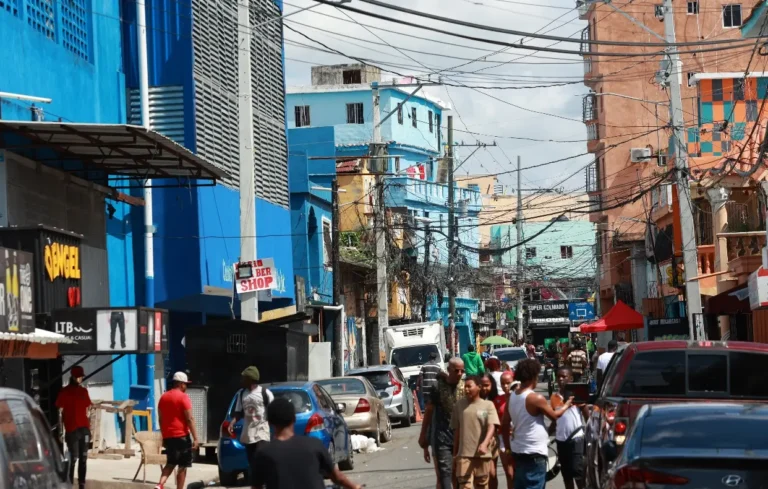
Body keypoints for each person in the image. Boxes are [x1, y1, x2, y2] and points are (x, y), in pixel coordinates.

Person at [251, 397, 361, 489]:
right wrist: (355, 487)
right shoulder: (314, 445)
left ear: (269, 422)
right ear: (294, 419)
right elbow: (337, 477)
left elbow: (256, 486)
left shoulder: (263, 453)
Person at [501, 359, 573, 489]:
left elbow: (504, 425)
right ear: (533, 376)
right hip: (534, 454)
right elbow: (554, 416)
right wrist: (567, 404)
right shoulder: (535, 398)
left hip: (518, 451)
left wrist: (507, 449)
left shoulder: (512, 396)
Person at [419, 357, 466, 489]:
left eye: (462, 371)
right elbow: (428, 412)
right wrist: (423, 436)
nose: (459, 374)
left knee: (459, 475)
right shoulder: (437, 387)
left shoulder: (465, 387)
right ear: (449, 369)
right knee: (445, 474)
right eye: (456, 371)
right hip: (441, 438)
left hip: (461, 438)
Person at [228, 366, 274, 485]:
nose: (241, 381)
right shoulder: (242, 394)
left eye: (243, 378)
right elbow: (238, 412)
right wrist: (232, 423)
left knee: (261, 460)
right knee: (253, 463)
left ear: (251, 379)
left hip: (262, 432)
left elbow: (273, 410)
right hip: (249, 434)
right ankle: (258, 484)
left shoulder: (265, 393)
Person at [452, 377, 500, 489]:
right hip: (464, 455)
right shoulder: (459, 405)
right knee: (464, 486)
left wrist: (485, 443)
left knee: (482, 485)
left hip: (482, 455)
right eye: (465, 386)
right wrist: (455, 455)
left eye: (469, 386)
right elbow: (457, 431)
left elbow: (492, 425)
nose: (466, 389)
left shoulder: (488, 405)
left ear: (479, 387)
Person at [156, 372, 200, 489]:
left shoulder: (163, 397)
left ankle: (160, 484)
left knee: (170, 463)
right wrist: (195, 438)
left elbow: (160, 419)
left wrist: (164, 435)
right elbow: (189, 418)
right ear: (181, 384)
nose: (186, 387)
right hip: (182, 437)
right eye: (185, 384)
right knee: (182, 466)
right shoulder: (183, 397)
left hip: (169, 437)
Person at [550, 367, 586, 489]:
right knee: (566, 474)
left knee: (578, 471)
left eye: (564, 376)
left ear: (570, 379)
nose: (561, 379)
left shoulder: (577, 395)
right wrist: (546, 434)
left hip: (576, 438)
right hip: (561, 440)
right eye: (559, 376)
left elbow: (587, 415)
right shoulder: (554, 397)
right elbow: (555, 418)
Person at [56, 366, 92, 489]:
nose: (81, 378)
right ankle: (70, 483)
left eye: (81, 376)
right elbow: (59, 411)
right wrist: (60, 431)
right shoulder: (64, 392)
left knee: (84, 458)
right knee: (74, 458)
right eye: (79, 376)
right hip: (72, 429)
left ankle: (82, 484)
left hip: (84, 429)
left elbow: (88, 407)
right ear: (73, 377)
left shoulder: (84, 392)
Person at [479, 373, 501, 489]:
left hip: (493, 441)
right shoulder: (475, 400)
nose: (484, 388)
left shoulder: (496, 400)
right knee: (482, 474)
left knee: (492, 473)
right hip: (478, 441)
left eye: (487, 385)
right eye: (481, 385)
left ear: (492, 385)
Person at [496, 372, 516, 489]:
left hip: (518, 439)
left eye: (508, 383)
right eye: (502, 384)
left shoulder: (520, 398)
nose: (505, 386)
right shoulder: (497, 400)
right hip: (503, 439)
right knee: (509, 473)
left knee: (518, 472)